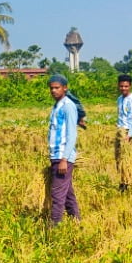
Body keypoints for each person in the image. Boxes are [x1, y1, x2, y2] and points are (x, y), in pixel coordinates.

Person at [47, 74, 81, 225]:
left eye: (57, 88)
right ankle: (76, 221)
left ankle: (54, 225)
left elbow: (71, 134)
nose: (54, 91)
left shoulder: (68, 106)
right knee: (67, 193)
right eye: (51, 88)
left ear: (65, 88)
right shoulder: (57, 106)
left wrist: (64, 159)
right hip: (56, 155)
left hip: (62, 157)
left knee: (57, 194)